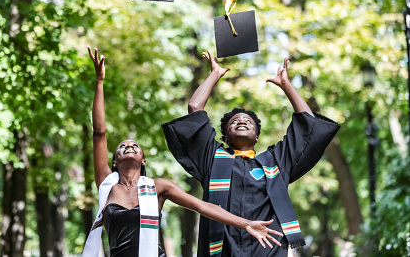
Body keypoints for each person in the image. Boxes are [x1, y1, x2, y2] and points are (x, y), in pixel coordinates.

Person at [82, 47, 283, 257]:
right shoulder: (107, 184)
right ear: (114, 162)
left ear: (143, 160)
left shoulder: (158, 188)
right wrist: (99, 82)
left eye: (135, 146)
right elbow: (99, 132)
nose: (129, 146)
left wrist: (246, 224)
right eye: (122, 146)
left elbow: (205, 207)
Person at [161, 51, 341, 257]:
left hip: (267, 247)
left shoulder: (275, 161)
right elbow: (195, 108)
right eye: (234, 121)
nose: (242, 121)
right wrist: (214, 73)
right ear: (225, 136)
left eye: (248, 121)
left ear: (256, 136)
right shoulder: (213, 158)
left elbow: (308, 126)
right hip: (222, 249)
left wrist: (287, 86)